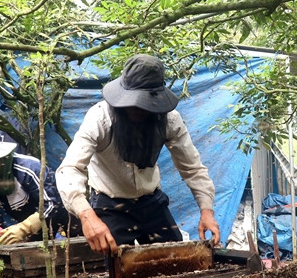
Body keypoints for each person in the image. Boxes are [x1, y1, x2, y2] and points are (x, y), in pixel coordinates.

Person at [55, 53, 220, 255]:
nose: (139, 109)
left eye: (145, 104)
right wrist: (86, 215)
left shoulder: (169, 120)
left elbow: (192, 168)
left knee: (177, 262)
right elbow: (70, 169)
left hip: (151, 202)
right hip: (109, 205)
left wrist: (206, 210)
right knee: (116, 271)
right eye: (134, 103)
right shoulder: (100, 118)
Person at [0, 127, 80, 260]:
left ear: (0, 158)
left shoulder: (29, 169)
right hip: (37, 235)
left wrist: (24, 228)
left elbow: (55, 203)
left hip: (68, 226)